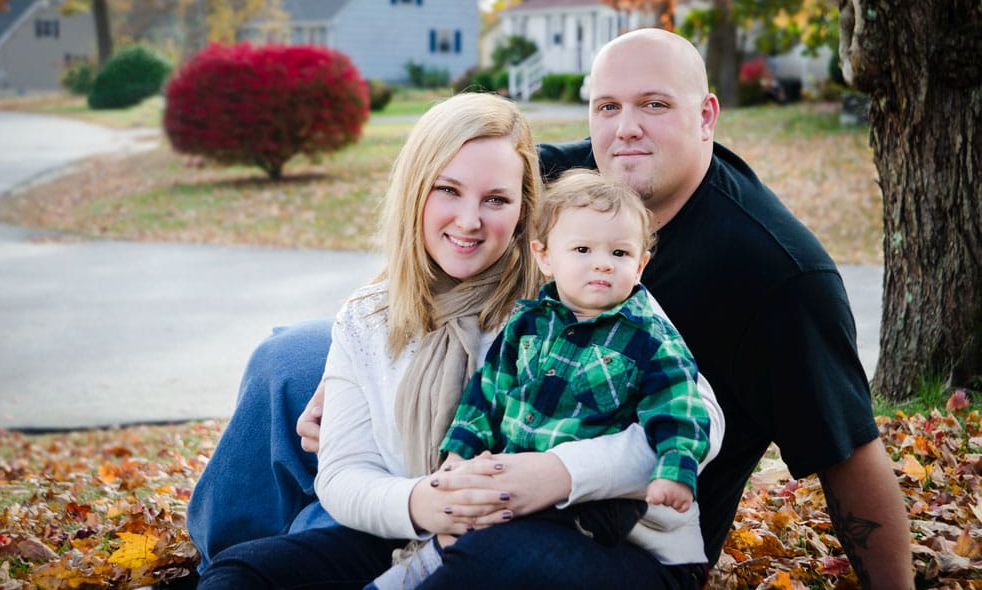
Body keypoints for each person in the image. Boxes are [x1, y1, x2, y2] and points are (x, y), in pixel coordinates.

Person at [189, 29, 913, 587]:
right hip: (469, 457)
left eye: (655, 105)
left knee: (485, 553)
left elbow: (848, 452)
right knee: (289, 355)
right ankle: (253, 552)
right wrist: (357, 356)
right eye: (607, 107)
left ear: (706, 116)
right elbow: (452, 207)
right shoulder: (574, 175)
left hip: (627, 511)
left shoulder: (776, 271)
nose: (625, 127)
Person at [194, 91, 723, 589]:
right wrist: (424, 502)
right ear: (414, 189)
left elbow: (704, 421)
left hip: (605, 540)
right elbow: (343, 473)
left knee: (491, 563)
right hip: (426, 533)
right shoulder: (369, 317)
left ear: (522, 211)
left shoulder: (575, 283)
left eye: (496, 199)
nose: (469, 222)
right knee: (245, 573)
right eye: (447, 190)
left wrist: (555, 474)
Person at [371, 169, 714, 589]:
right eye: (583, 249)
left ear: (641, 263)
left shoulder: (648, 339)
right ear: (545, 257)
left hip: (593, 509)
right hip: (516, 478)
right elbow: (486, 393)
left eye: (621, 254)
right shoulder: (526, 325)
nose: (603, 263)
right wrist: (460, 452)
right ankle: (414, 571)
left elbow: (680, 406)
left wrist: (674, 471)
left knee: (505, 538)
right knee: (473, 518)